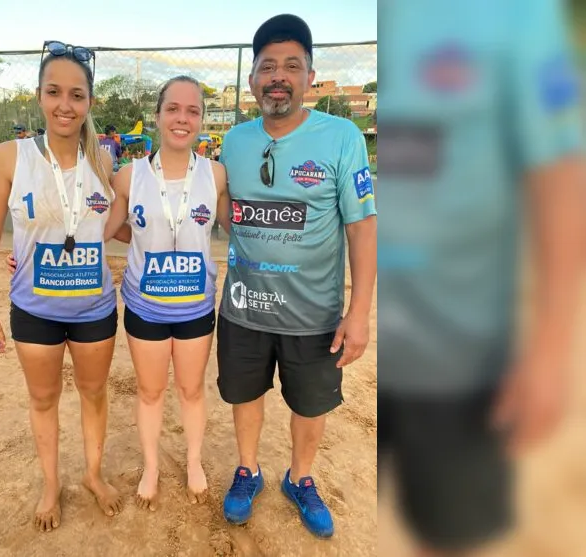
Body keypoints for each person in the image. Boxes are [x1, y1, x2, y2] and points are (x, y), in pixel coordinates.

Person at [378, 1, 585, 555]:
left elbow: (562, 173)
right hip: (373, 341)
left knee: (449, 533)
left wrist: (550, 348)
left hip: (459, 349)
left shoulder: (518, 16)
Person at [217, 14, 376, 538]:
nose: (278, 76)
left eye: (291, 65)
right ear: (252, 81)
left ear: (309, 75)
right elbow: (218, 210)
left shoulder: (342, 136)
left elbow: (361, 227)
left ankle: (300, 477)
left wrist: (358, 313)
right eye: (267, 67)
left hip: (314, 314)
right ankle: (249, 469)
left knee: (310, 403)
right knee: (244, 394)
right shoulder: (234, 142)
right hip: (244, 306)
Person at [0, 40, 123, 533]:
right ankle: (50, 484)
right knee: (43, 400)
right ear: (38, 95)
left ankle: (94, 475)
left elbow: (121, 227)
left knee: (94, 392)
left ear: (89, 103)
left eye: (77, 95)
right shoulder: (8, 157)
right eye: (55, 92)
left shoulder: (104, 164)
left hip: (94, 308)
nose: (66, 104)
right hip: (34, 308)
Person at [104, 76, 231, 510]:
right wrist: (26, 250)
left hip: (195, 306)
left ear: (201, 120)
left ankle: (194, 461)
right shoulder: (129, 175)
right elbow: (105, 228)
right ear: (157, 116)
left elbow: (238, 225)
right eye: (173, 109)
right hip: (145, 306)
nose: (182, 118)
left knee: (192, 391)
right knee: (150, 391)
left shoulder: (215, 175)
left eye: (192, 111)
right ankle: (153, 465)